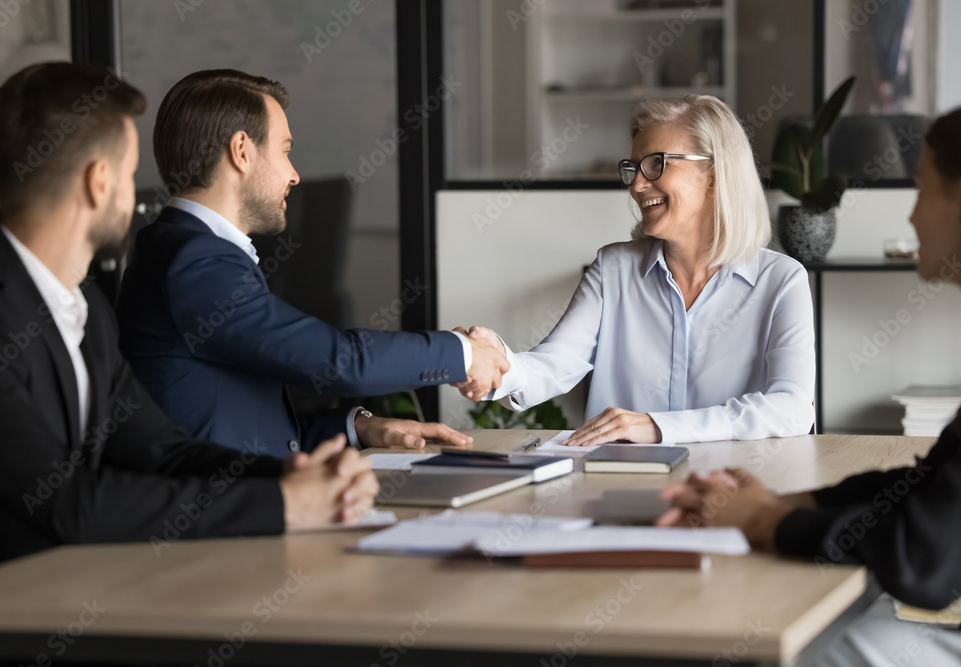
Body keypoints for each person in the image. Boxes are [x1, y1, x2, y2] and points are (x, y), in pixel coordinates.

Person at [0, 63, 377, 566]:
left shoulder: (86, 305)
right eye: (131, 174)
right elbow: (63, 503)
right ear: (99, 183)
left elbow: (164, 452)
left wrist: (292, 476)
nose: (139, 195)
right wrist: (284, 504)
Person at [658, 108, 961, 666]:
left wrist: (765, 520)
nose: (913, 216)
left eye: (922, 190)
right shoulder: (613, 271)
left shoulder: (781, 277)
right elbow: (933, 487)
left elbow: (925, 557)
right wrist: (794, 500)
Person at [116, 69, 508, 459]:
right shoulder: (195, 259)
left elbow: (238, 418)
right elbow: (337, 360)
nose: (294, 174)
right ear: (241, 151)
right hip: (218, 515)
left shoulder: (180, 248)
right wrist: (463, 354)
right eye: (285, 151)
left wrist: (359, 428)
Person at [458, 95, 816, 446]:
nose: (637, 185)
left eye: (657, 163)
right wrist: (495, 364)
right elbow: (554, 365)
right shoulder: (613, 270)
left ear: (714, 174)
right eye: (634, 168)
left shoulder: (781, 281)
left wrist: (657, 427)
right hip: (622, 486)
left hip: (729, 491)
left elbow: (793, 408)